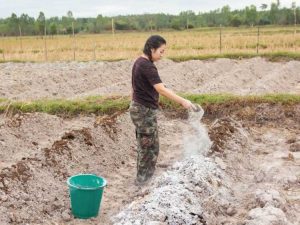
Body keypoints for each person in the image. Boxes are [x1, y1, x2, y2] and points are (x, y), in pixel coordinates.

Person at [129, 35, 194, 184]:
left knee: (148, 145)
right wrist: (183, 101)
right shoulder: (147, 65)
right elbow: (160, 89)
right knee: (149, 147)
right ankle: (143, 181)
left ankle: (144, 177)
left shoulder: (139, 61)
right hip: (143, 111)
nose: (162, 55)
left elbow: (139, 87)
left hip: (139, 108)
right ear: (152, 49)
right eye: (161, 51)